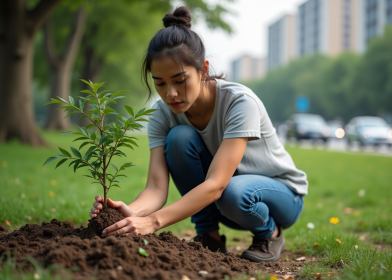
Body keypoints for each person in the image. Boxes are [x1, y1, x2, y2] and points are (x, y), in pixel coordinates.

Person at [90, 6, 307, 262]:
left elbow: (216, 186)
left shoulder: (239, 103)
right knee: (179, 139)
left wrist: (153, 222)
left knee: (232, 191)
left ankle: (270, 234)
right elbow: (157, 187)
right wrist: (131, 212)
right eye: (159, 83)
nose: (170, 93)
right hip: (227, 200)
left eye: (180, 80)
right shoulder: (162, 114)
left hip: (279, 197)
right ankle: (209, 236)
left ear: (203, 70)